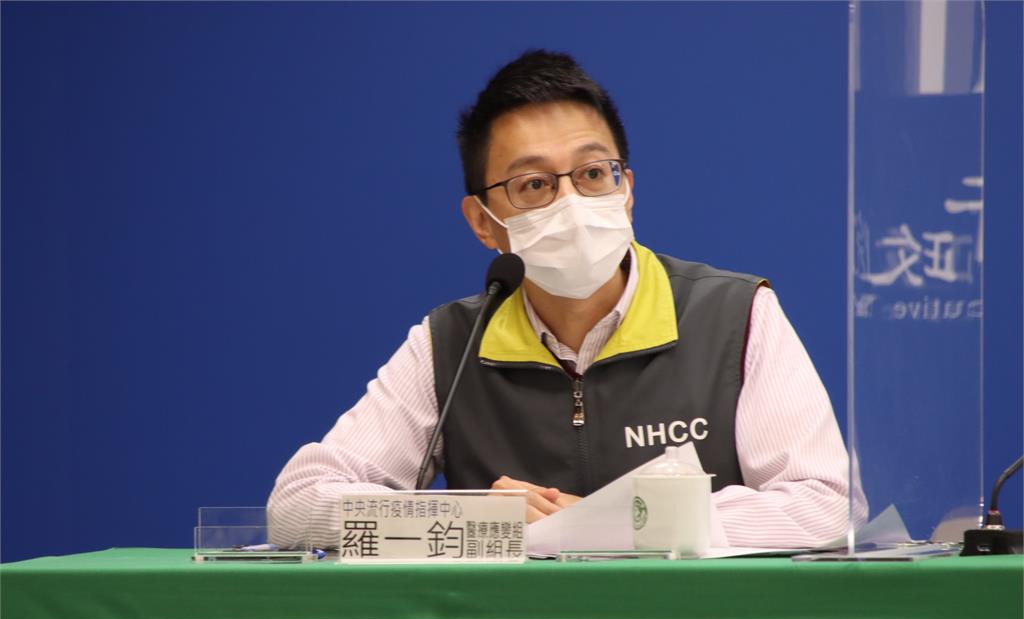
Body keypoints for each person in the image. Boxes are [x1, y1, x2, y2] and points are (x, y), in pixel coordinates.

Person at [268, 50, 866, 550]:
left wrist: (617, 526)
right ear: (482, 222)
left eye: (593, 174)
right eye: (533, 184)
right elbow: (296, 505)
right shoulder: (450, 343)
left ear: (626, 190)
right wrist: (476, 520)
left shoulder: (734, 315)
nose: (572, 202)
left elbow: (826, 504)